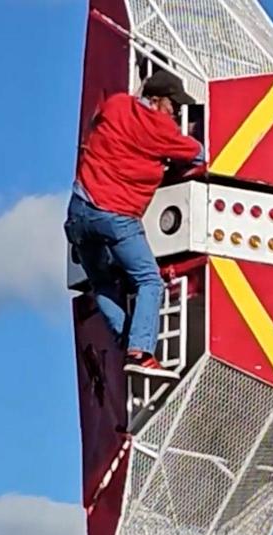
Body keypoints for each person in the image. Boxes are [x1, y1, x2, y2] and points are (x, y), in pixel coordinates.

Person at [64, 70, 204, 380]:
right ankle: (140, 351)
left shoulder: (115, 105)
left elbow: (95, 125)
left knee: (101, 282)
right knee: (149, 281)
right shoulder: (162, 130)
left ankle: (127, 340)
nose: (176, 112)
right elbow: (198, 155)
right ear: (156, 101)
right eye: (173, 105)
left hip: (79, 211)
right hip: (117, 216)